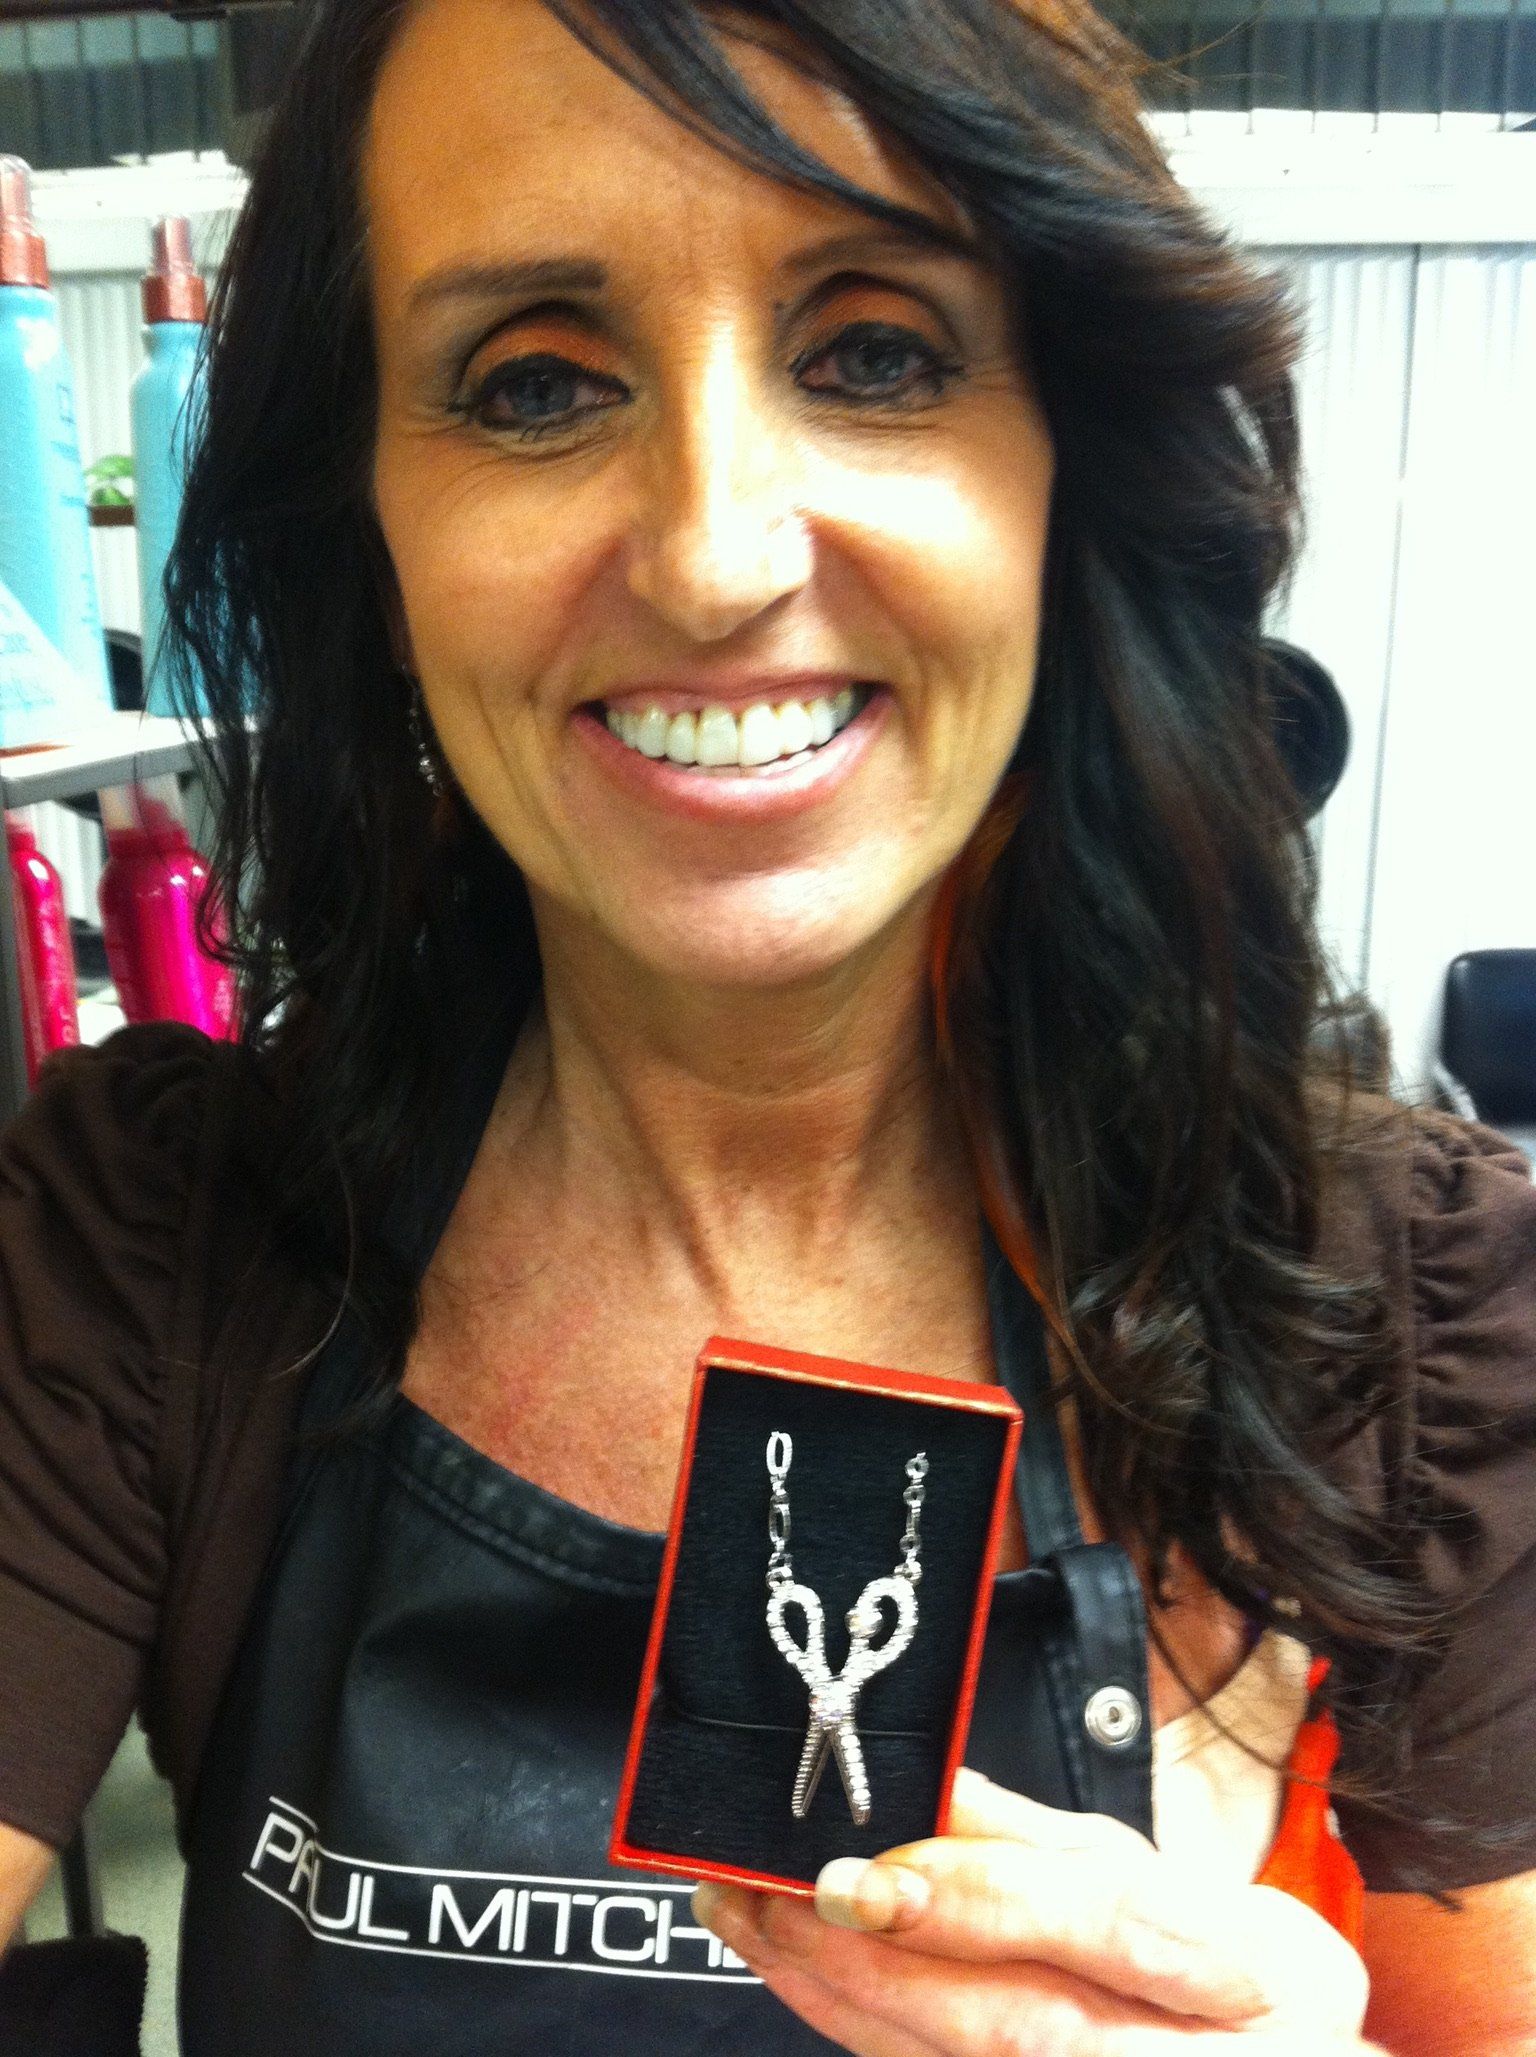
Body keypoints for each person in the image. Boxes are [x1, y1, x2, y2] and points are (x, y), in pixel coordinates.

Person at [1, 0, 1534, 2049]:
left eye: (875, 354)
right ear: (363, 527)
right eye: (537, 382)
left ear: (1071, 463)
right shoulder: (145, 1247)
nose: (719, 560)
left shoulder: (1411, 1311)